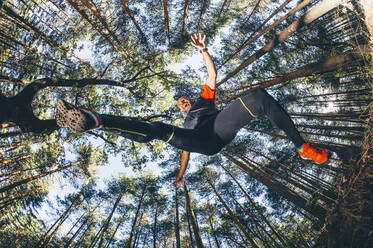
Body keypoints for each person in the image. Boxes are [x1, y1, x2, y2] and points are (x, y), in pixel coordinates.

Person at [56, 33, 328, 187]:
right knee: (158, 130)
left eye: (184, 101)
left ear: (189, 100)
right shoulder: (184, 127)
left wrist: (204, 51)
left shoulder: (203, 101)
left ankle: (303, 148)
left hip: (219, 127)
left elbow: (212, 74)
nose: (184, 105)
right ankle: (96, 121)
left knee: (258, 97)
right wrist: (180, 175)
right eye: (181, 105)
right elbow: (185, 155)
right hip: (206, 142)